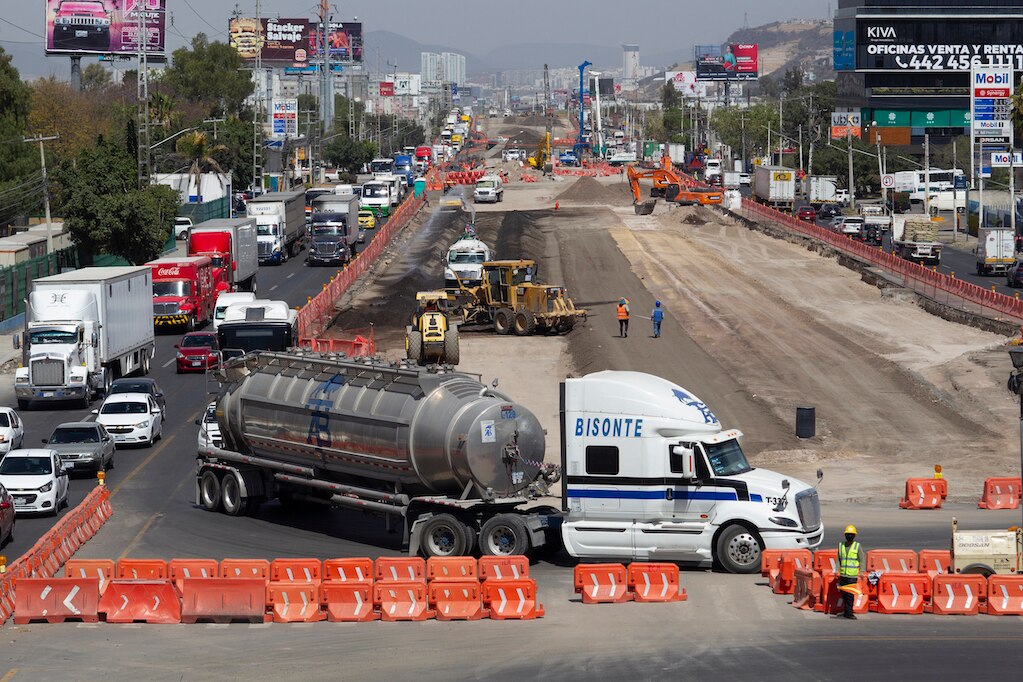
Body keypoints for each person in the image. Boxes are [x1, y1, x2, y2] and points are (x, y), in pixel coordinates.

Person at [837, 525, 863, 620]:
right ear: (845, 535)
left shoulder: (857, 546)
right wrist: (837, 570)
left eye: (851, 535)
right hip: (843, 574)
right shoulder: (841, 545)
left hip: (852, 575)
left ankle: (849, 613)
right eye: (848, 534)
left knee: (850, 595)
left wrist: (862, 571)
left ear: (854, 536)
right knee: (843, 594)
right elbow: (838, 559)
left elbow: (862, 559)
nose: (850, 536)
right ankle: (846, 611)